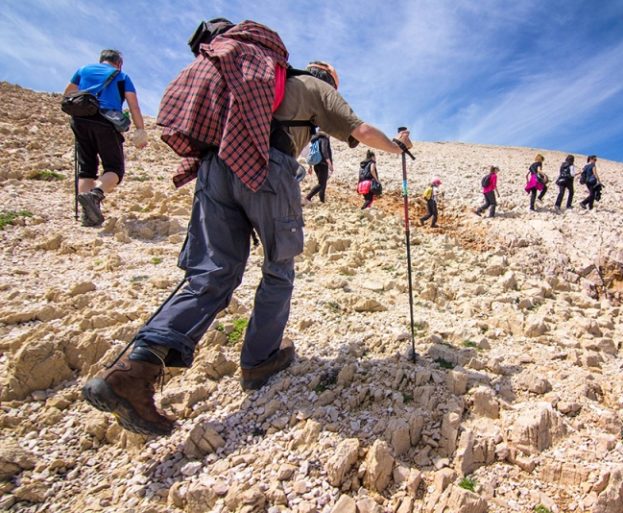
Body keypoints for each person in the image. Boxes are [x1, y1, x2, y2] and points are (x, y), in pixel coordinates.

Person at [81, 20, 412, 436]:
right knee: (279, 268)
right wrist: (397, 145)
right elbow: (359, 130)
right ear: (328, 77)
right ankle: (260, 360)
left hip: (216, 166)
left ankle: (132, 371)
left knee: (212, 271)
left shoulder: (244, 75)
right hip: (268, 171)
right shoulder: (313, 87)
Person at [64, 49, 148, 226]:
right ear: (119, 63)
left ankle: (88, 216)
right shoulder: (121, 76)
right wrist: (140, 130)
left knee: (86, 169)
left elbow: (68, 95)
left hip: (80, 120)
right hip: (106, 122)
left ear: (101, 60)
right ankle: (95, 195)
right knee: (115, 169)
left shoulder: (83, 70)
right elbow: (134, 106)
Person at [305, 131, 333, 203]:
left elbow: (311, 153)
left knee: (322, 183)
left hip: (316, 164)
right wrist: (329, 163)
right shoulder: (324, 139)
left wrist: (310, 166)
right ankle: (308, 197)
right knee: (322, 184)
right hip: (323, 164)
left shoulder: (315, 140)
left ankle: (322, 201)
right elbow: (324, 151)